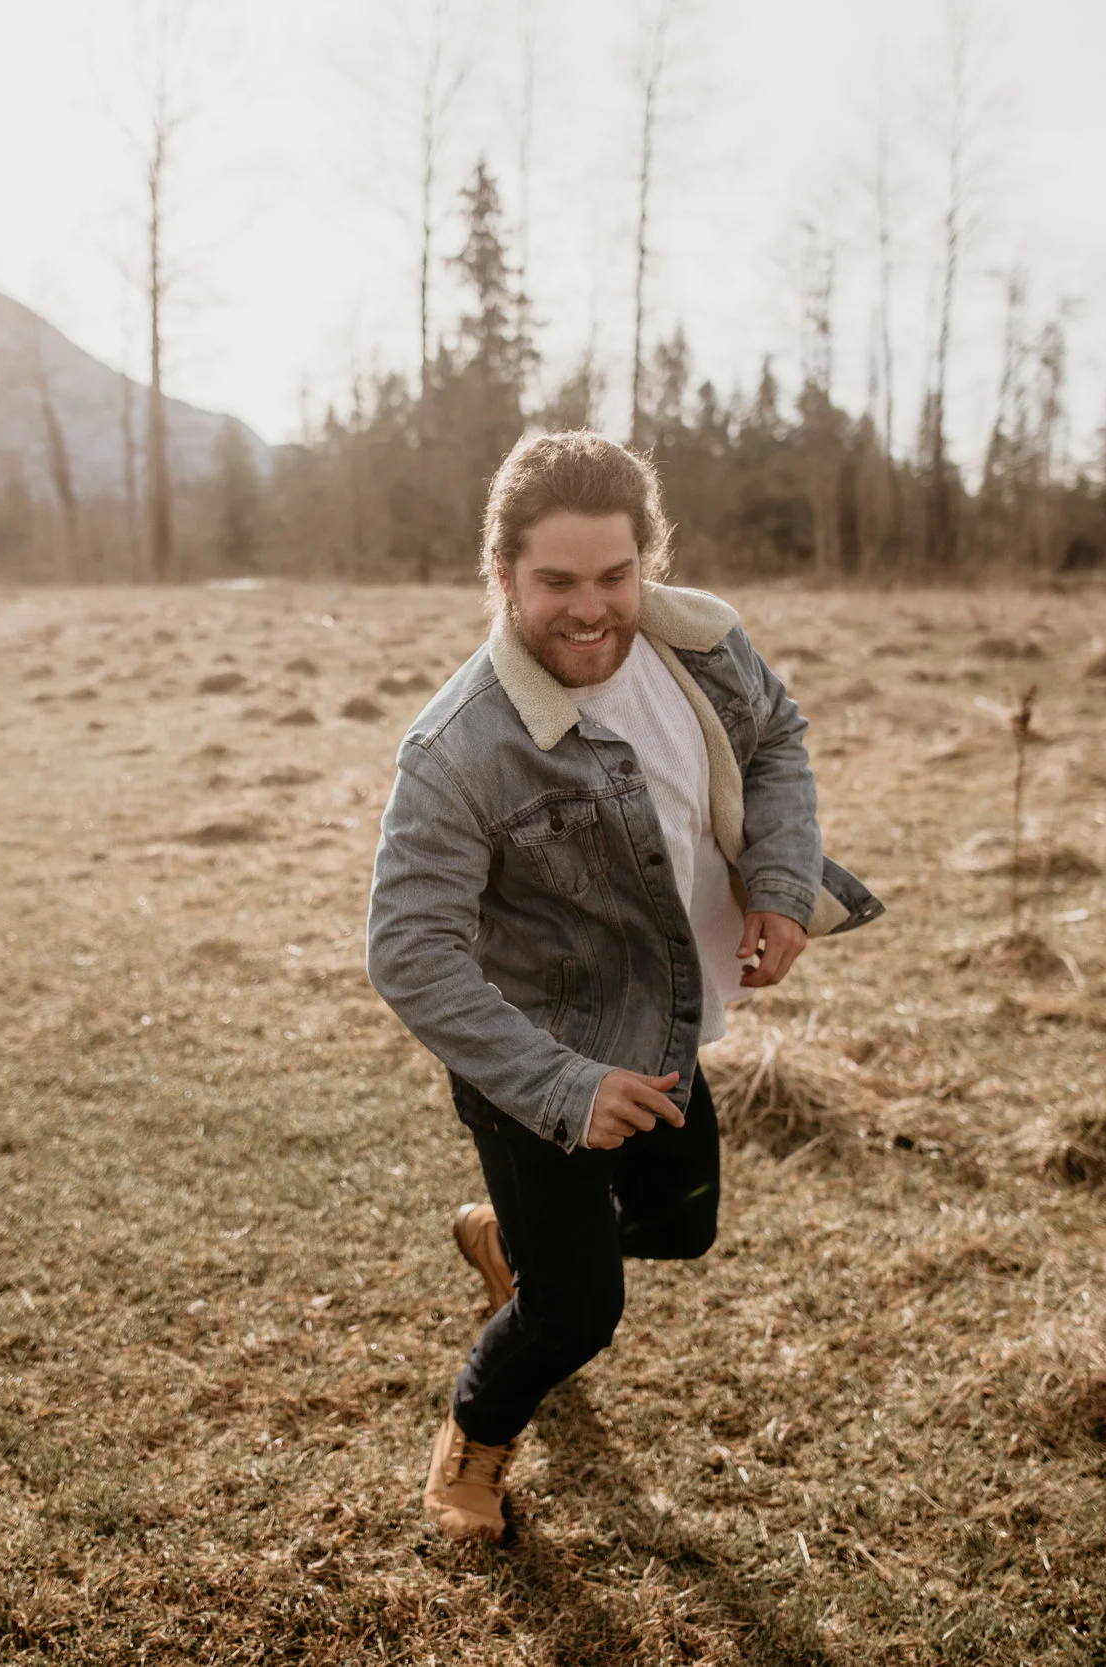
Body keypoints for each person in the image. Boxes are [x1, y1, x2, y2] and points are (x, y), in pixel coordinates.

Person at [366, 432, 883, 1541]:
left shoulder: (702, 642)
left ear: (648, 559)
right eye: (556, 580)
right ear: (501, 576)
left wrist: (781, 883)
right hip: (535, 1063)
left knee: (679, 1225)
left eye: (615, 574)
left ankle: (509, 1245)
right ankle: (476, 1429)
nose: (591, 608)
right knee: (579, 1308)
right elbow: (410, 949)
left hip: (667, 1024)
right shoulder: (458, 750)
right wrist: (563, 1086)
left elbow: (777, 738)